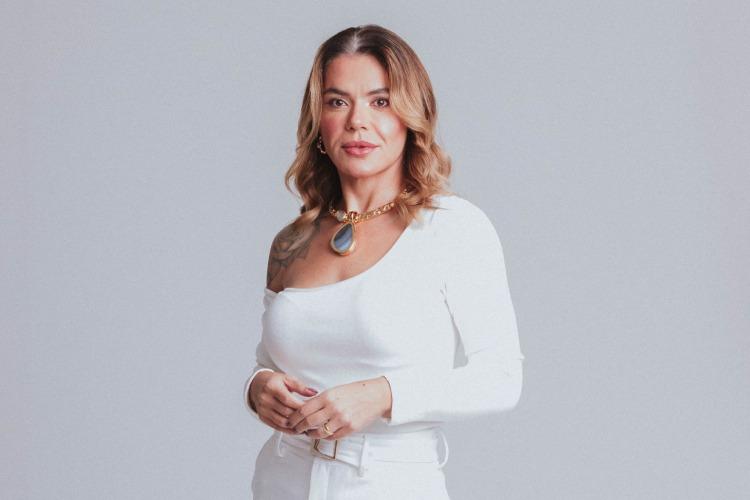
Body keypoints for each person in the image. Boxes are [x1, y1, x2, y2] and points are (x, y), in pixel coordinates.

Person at [243, 24, 525, 499]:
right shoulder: (292, 241)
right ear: (318, 121)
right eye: (337, 101)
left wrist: (383, 394)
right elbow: (270, 361)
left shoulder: (452, 228)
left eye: (380, 101)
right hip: (282, 479)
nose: (357, 121)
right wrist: (257, 387)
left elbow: (501, 380)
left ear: (411, 116)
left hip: (389, 481)